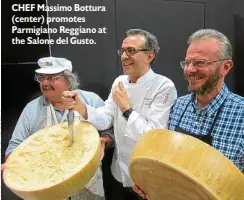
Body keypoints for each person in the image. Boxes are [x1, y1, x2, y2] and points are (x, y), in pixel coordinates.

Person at [61, 29, 177, 200]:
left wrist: (125, 108)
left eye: (131, 51)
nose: (124, 56)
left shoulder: (164, 86)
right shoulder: (119, 81)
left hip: (146, 177)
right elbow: (106, 118)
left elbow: (154, 135)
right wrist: (82, 107)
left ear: (150, 56)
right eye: (122, 51)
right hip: (118, 169)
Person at [133, 29, 244, 199]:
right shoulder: (178, 106)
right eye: (187, 62)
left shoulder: (241, 114)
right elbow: (167, 165)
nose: (190, 70)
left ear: (225, 67)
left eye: (199, 62)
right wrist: (150, 183)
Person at [3, 56, 113, 200]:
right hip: (47, 188)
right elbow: (14, 146)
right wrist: (14, 164)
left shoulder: (91, 100)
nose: (45, 83)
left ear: (69, 80)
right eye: (42, 78)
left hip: (87, 187)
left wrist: (105, 140)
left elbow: (111, 131)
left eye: (52, 77)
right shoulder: (31, 109)